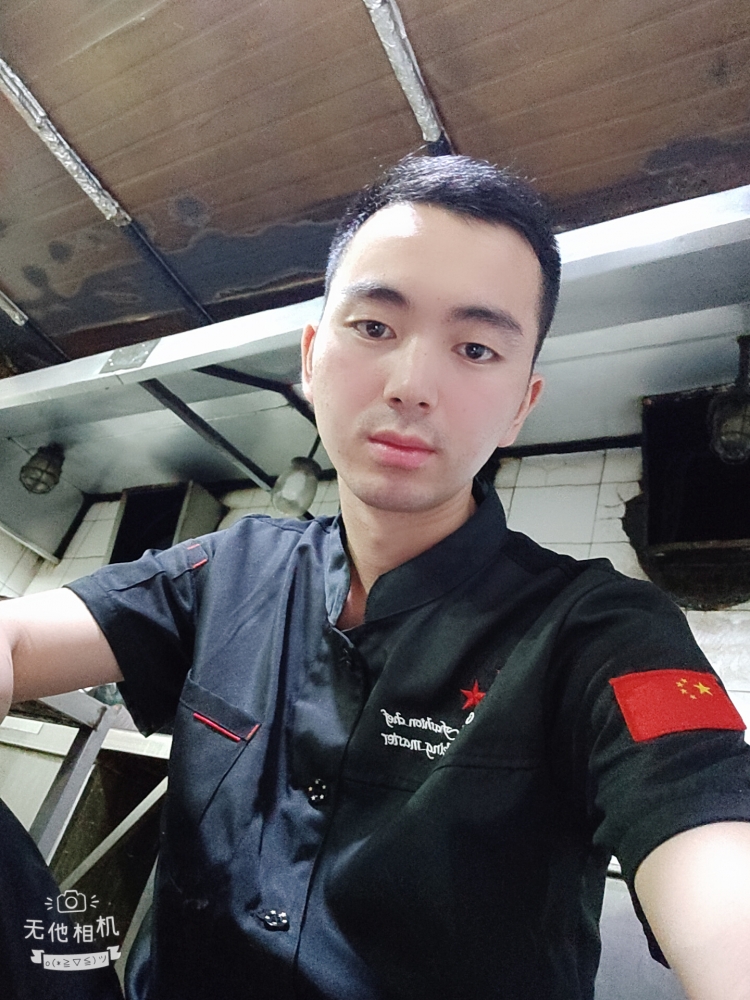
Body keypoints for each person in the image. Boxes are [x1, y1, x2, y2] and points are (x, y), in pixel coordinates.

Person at [2, 154, 750, 1000]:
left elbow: (707, 835)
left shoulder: (600, 630)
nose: (411, 385)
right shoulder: (232, 567)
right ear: (311, 358)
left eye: (475, 347)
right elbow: (18, 638)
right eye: (374, 327)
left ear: (520, 405)